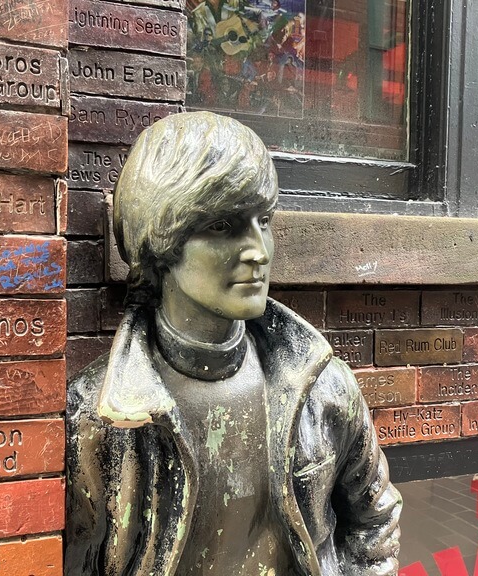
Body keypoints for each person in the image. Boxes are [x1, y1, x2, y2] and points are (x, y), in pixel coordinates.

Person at [65, 111, 402, 576]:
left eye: (263, 221)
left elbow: (374, 519)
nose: (259, 252)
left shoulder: (321, 387)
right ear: (161, 242)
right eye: (224, 226)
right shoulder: (98, 418)